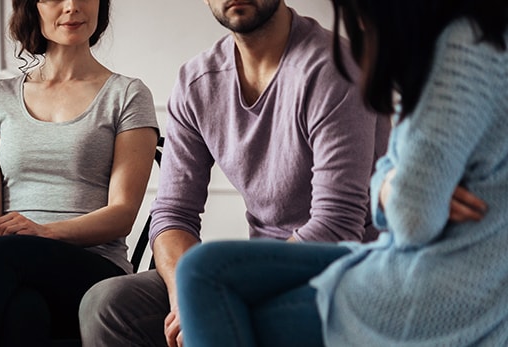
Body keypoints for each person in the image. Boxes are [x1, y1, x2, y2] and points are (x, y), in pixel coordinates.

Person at [175, 0, 508, 345]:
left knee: (218, 293)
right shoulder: (445, 49)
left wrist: (394, 187)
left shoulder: (461, 54)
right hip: (406, 259)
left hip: (434, 282)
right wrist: (392, 184)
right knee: (198, 269)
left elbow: (409, 218)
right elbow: (388, 178)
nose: (360, 23)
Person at [79, 0, 391, 346]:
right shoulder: (197, 82)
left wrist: (214, 288)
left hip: (352, 270)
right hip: (253, 269)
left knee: (237, 308)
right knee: (107, 305)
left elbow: (335, 227)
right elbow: (173, 215)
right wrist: (186, 295)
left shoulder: (335, 67)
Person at [0, 0, 159, 345]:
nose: (72, 7)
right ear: (31, 8)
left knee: (3, 256)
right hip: (12, 266)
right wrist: (18, 239)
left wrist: (43, 233)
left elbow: (122, 215)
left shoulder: (127, 94)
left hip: (96, 270)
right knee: (24, 312)